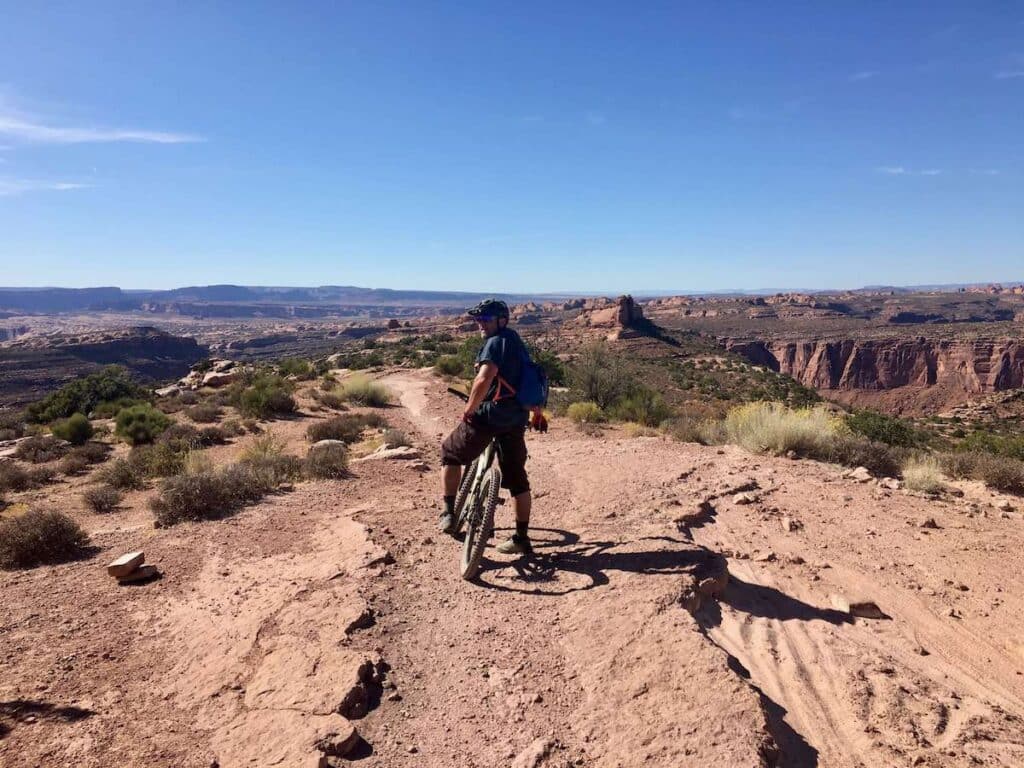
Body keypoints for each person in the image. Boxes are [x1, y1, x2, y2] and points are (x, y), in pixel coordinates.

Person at [438, 298, 546, 555]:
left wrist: (469, 409)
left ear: (502, 320)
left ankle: (449, 512)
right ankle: (521, 538)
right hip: (516, 417)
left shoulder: (495, 344)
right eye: (479, 320)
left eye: (485, 320)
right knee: (518, 480)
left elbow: (484, 379)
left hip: (491, 415)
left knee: (450, 453)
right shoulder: (516, 341)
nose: (480, 325)